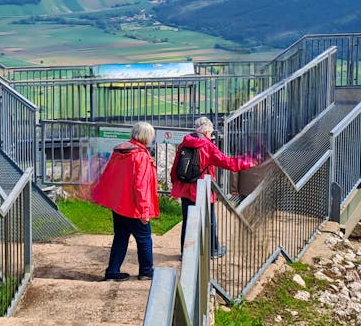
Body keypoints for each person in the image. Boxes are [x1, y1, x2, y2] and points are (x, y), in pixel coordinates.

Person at [170, 116, 256, 257]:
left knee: (187, 221)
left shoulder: (184, 143)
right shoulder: (208, 146)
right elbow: (228, 163)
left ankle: (185, 253)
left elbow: (175, 167)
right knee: (210, 222)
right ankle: (213, 250)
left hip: (185, 188)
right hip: (202, 190)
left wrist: (175, 183)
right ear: (207, 131)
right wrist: (247, 162)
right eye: (210, 133)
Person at [91, 121, 160, 282]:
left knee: (121, 237)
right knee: (144, 239)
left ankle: (112, 271)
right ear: (146, 136)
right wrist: (144, 211)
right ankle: (146, 271)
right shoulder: (140, 156)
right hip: (134, 207)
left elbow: (109, 175)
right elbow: (140, 185)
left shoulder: (119, 151)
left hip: (119, 205)